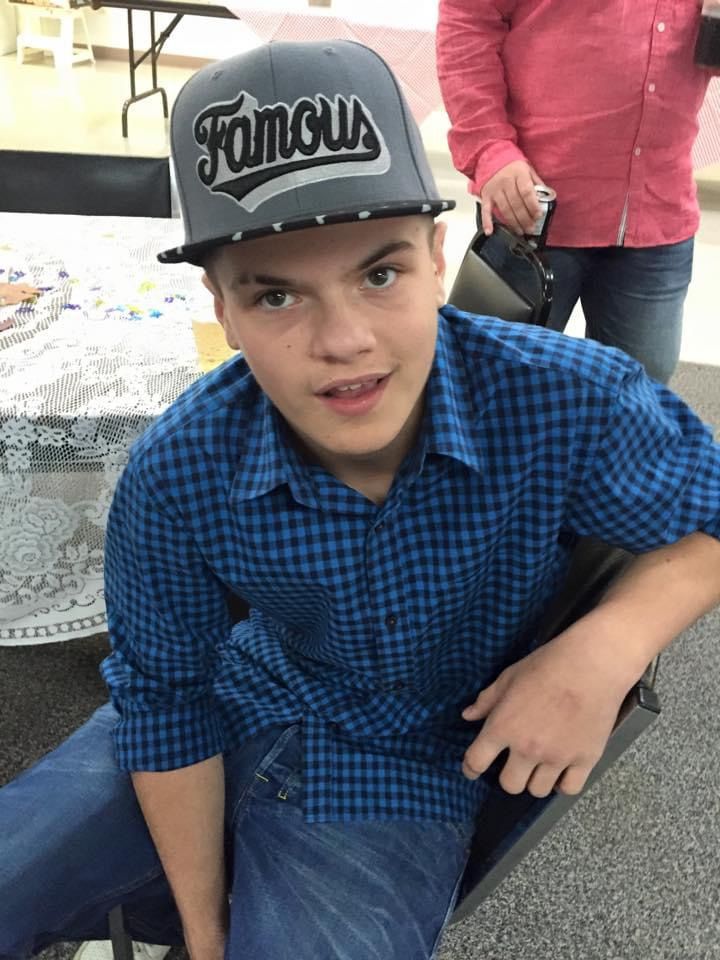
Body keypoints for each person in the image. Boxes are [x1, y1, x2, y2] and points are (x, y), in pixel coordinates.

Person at [1, 38, 720, 960]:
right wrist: (206, 930)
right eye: (274, 298)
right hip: (237, 697)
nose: (343, 341)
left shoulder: (568, 396)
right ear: (220, 306)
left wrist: (606, 645)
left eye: (379, 274)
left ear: (435, 252)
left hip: (409, 763)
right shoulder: (177, 467)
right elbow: (164, 703)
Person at [436, 0, 720, 384]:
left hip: (656, 216)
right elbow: (468, 18)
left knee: (637, 410)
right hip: (532, 212)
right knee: (492, 394)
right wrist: (489, 149)